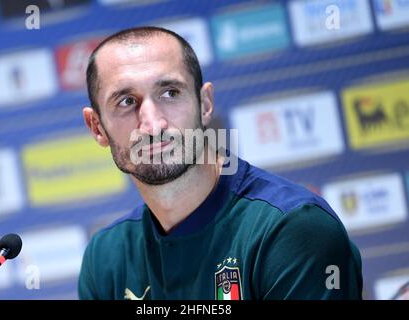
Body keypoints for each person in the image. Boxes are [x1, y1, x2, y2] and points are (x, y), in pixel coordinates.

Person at [78, 26, 363, 300]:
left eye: (170, 93)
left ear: (204, 104)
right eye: (127, 101)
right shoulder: (105, 257)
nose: (153, 124)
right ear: (97, 127)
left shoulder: (292, 228)